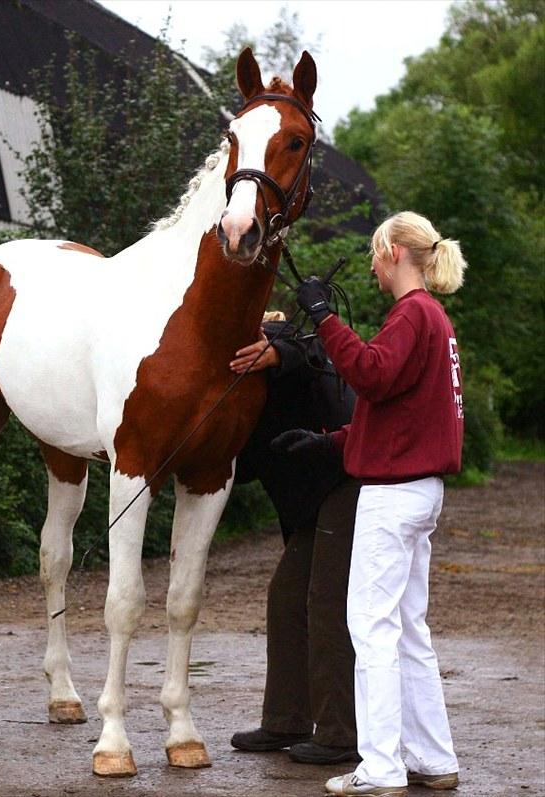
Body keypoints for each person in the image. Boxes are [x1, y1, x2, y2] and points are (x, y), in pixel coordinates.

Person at [282, 211, 466, 796]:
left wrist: (322, 316)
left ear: (392, 250)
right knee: (409, 630)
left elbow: (369, 373)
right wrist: (331, 443)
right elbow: (399, 410)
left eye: (372, 252)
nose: (369, 263)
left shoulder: (412, 313)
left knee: (372, 627)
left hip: (392, 498)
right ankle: (434, 761)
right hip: (420, 491)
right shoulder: (433, 318)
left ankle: (382, 768)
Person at [229, 314, 362, 765]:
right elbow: (245, 468)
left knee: (326, 604)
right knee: (285, 597)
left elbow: (314, 354)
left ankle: (340, 734)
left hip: (345, 482)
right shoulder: (227, 380)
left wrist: (276, 351)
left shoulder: (279, 336)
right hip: (308, 505)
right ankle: (285, 720)